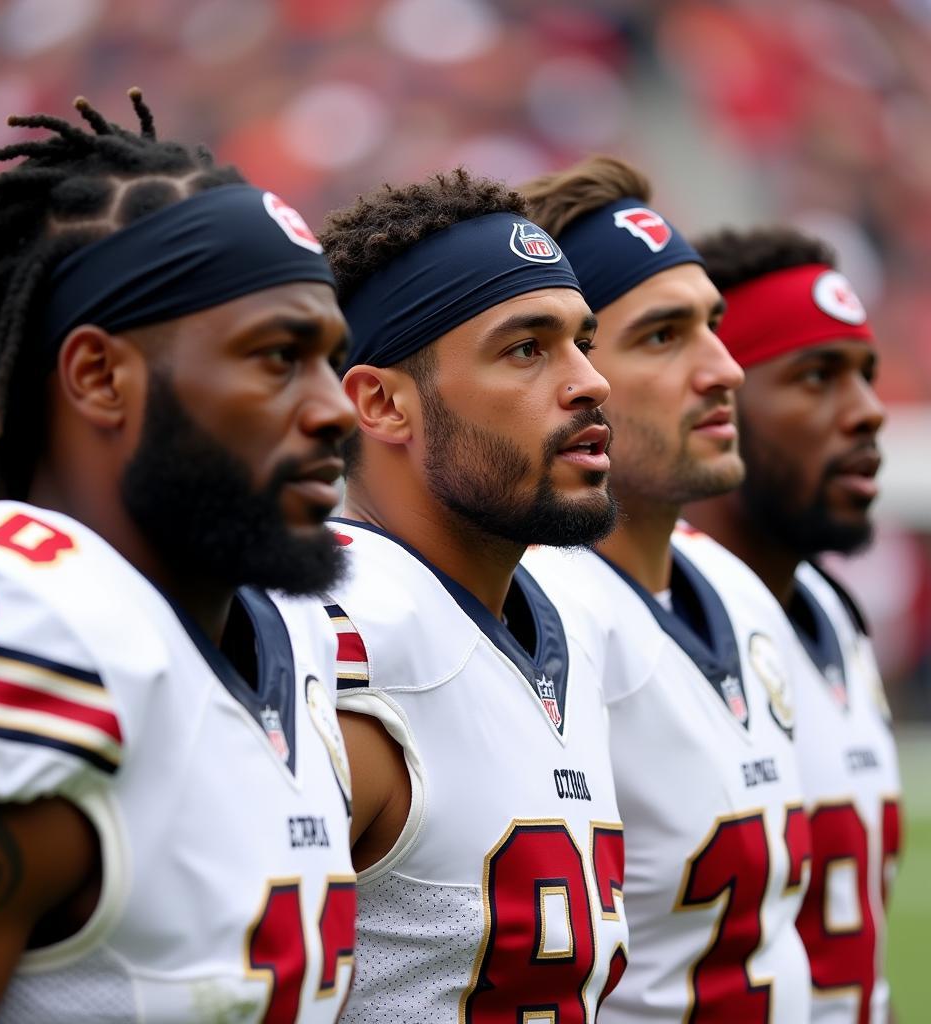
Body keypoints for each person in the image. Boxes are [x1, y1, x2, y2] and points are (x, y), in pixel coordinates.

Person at [0, 91, 358, 1022]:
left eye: (330, 358)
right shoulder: (7, 611)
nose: (335, 408)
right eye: (278, 356)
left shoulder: (282, 636)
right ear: (100, 376)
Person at [317, 168, 628, 1022]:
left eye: (582, 341)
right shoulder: (341, 641)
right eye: (527, 348)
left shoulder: (561, 618)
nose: (590, 382)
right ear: (381, 402)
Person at [520, 157, 812, 1023]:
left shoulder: (733, 585)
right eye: (663, 334)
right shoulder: (537, 614)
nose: (724, 368)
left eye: (713, 326)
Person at [685, 226, 903, 1024]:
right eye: (818, 377)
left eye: (867, 377)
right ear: (710, 396)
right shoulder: (615, 624)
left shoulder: (829, 611)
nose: (868, 414)